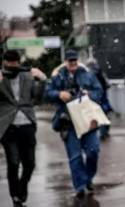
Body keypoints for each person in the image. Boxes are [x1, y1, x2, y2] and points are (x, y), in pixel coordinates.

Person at [45, 49, 103, 199]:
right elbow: (47, 93)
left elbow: (99, 91)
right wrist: (58, 94)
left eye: (75, 60)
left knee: (93, 151)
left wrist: (89, 94)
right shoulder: (58, 76)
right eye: (70, 61)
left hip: (87, 120)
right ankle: (80, 186)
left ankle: (88, 178)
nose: (73, 63)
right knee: (75, 157)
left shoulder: (87, 74)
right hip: (68, 122)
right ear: (65, 61)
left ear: (78, 60)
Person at [0, 50, 47, 207]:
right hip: (8, 126)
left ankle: (23, 185)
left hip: (27, 124)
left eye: (15, 64)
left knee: (30, 163)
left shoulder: (26, 76)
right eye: (8, 64)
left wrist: (42, 80)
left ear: (19, 63)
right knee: (13, 162)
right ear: (4, 63)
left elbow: (38, 99)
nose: (12, 67)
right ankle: (15, 197)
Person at [87, 58, 112, 139]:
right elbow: (107, 84)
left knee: (93, 115)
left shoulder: (86, 73)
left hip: (92, 97)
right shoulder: (101, 72)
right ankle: (104, 132)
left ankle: (95, 134)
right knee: (104, 113)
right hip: (103, 97)